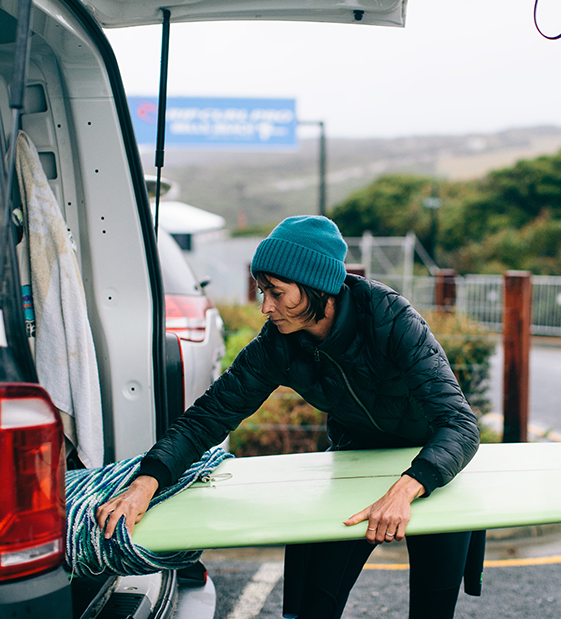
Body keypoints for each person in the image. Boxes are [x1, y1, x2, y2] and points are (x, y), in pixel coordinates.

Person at [97, 215, 480, 619]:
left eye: (277, 293)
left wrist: (405, 488)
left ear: (318, 287)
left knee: (433, 607)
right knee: (315, 603)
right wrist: (147, 481)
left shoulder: (390, 319)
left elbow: (459, 425)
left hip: (435, 463)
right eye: (263, 291)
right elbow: (208, 416)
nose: (266, 307)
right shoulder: (276, 346)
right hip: (355, 461)